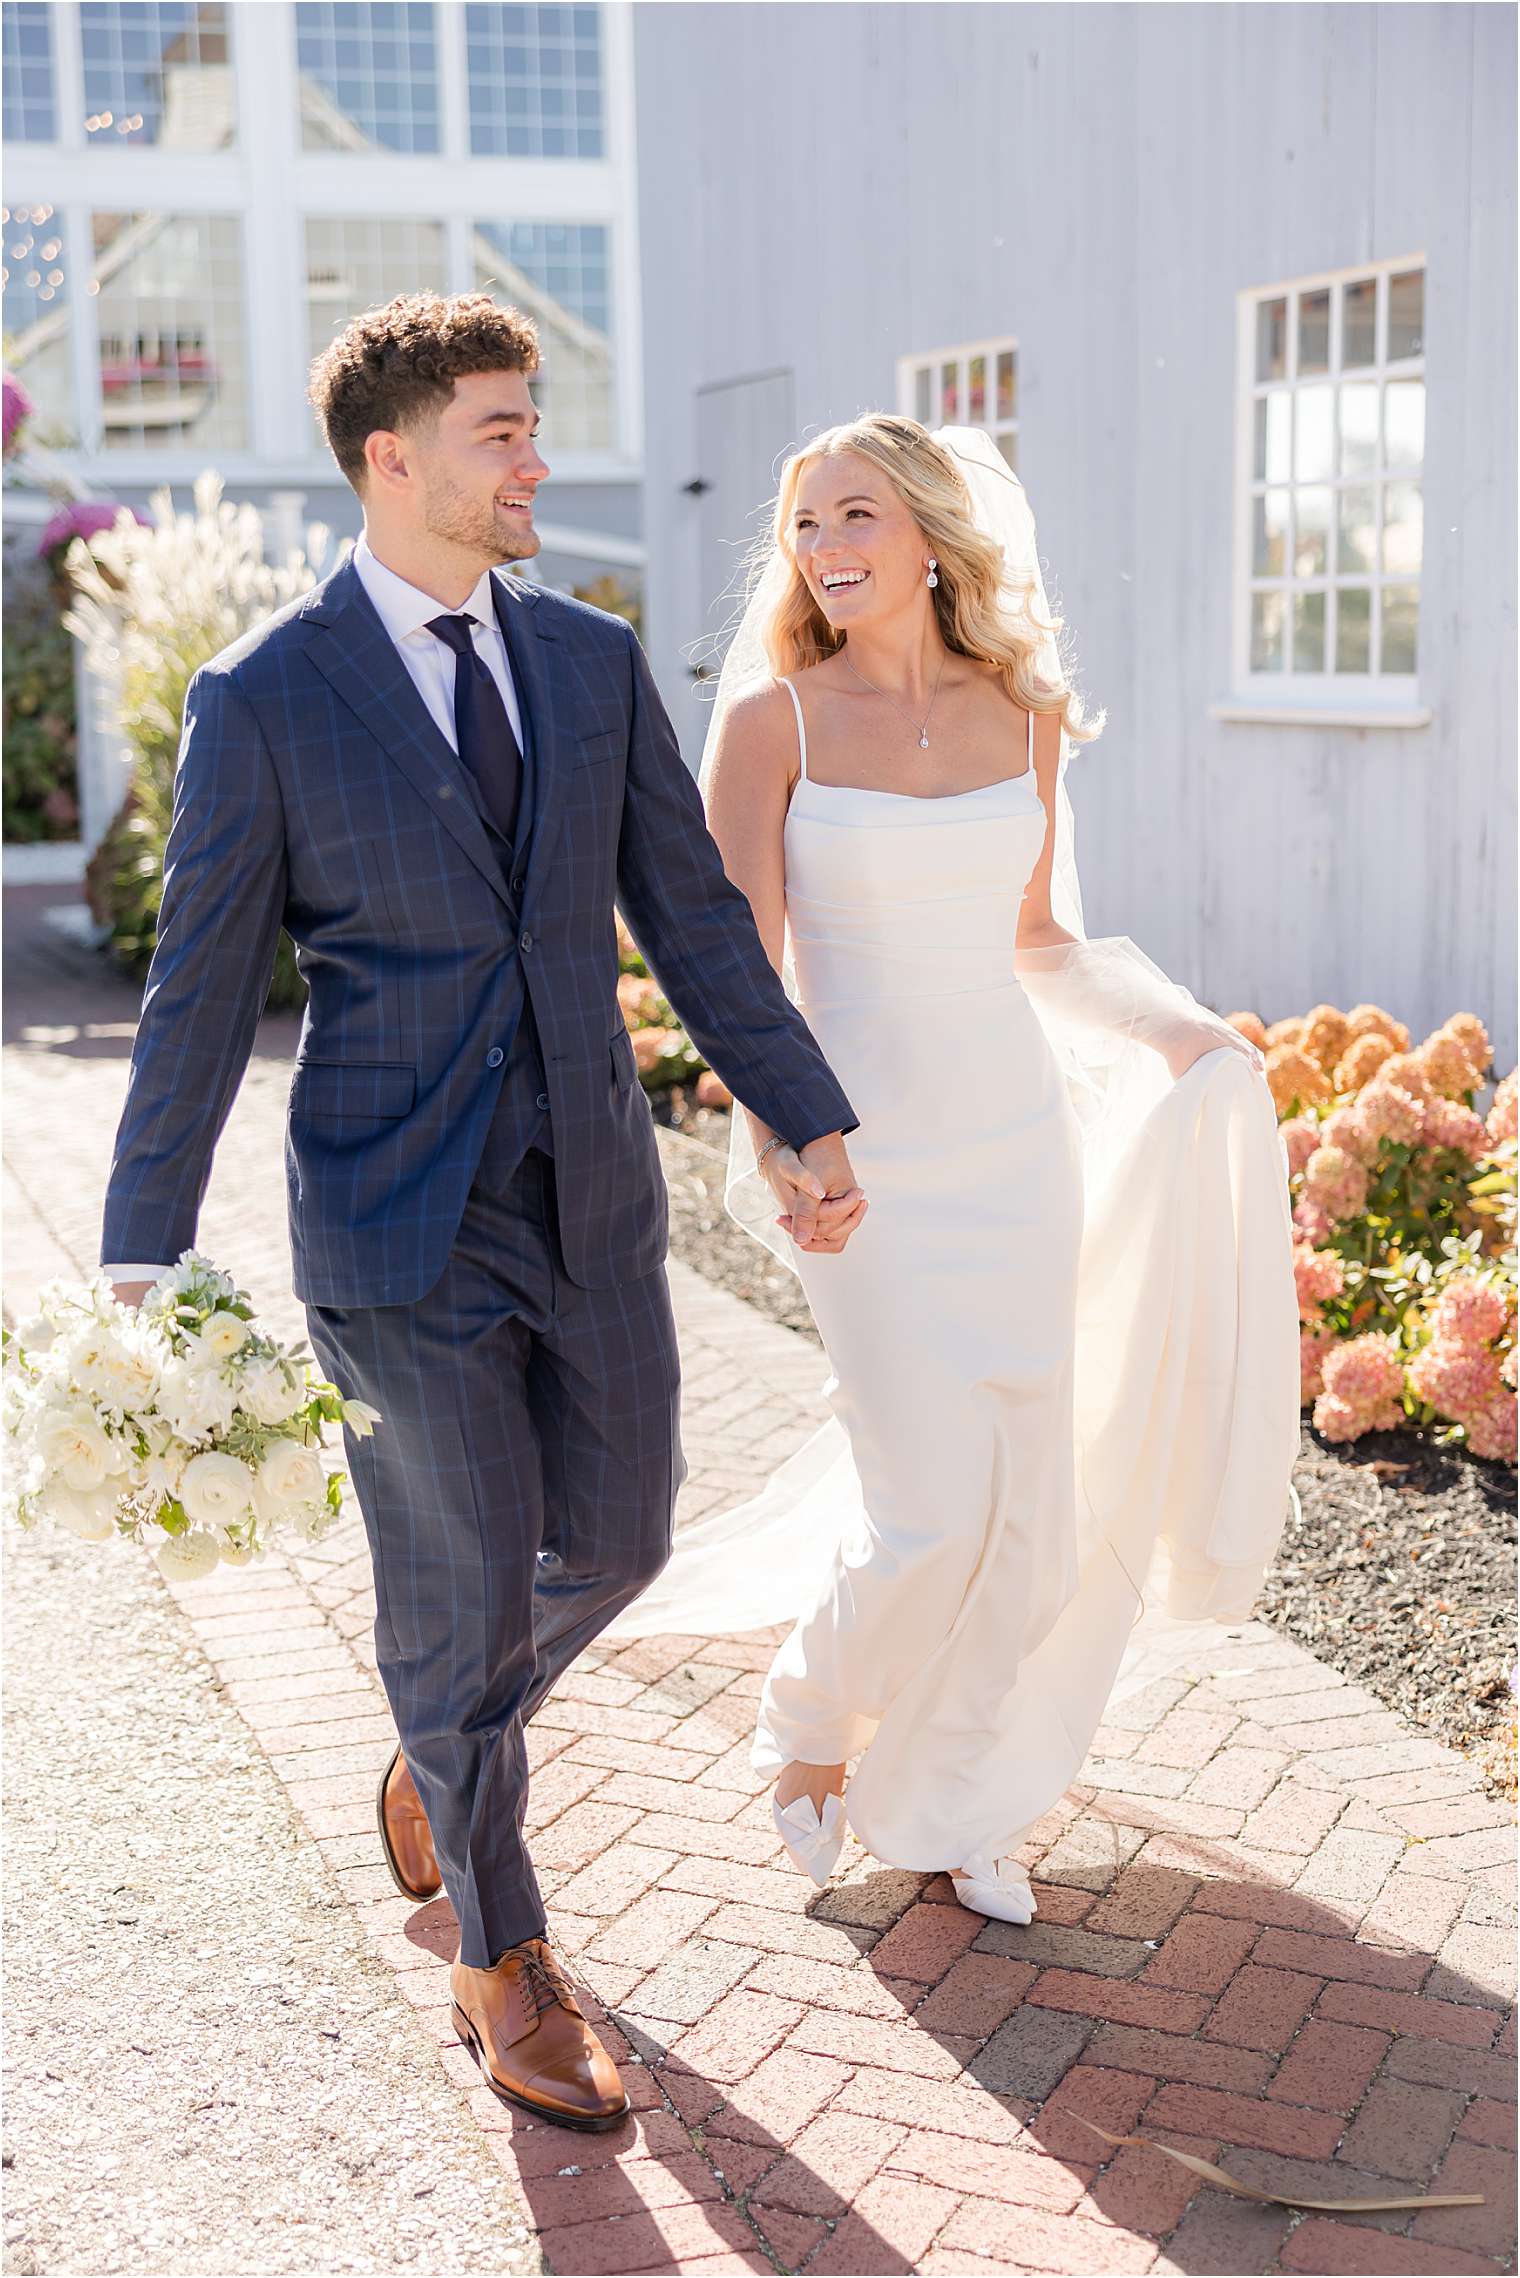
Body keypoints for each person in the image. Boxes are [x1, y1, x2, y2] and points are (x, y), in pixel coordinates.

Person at [100, 293, 865, 2131]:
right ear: (395, 457)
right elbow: (199, 988)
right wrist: (143, 1246)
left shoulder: (589, 666)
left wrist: (805, 1113)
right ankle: (500, 1955)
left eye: (536, 425)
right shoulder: (268, 696)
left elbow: (689, 916)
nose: (538, 461)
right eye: (503, 430)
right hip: (391, 1214)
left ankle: (436, 1758)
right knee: (454, 1576)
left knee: (620, 1539)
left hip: (590, 1190)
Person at [608, 416, 1300, 1925]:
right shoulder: (776, 722)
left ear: (930, 533)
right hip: (857, 1162)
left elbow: (1038, 942)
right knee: (928, 1500)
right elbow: (740, 971)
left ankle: (960, 1794)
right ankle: (810, 1724)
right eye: (803, 525)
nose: (824, 547)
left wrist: (1183, 1032)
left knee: (1031, 1508)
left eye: (854, 514)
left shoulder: (1025, 714)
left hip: (1015, 1145)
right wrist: (793, 1138)